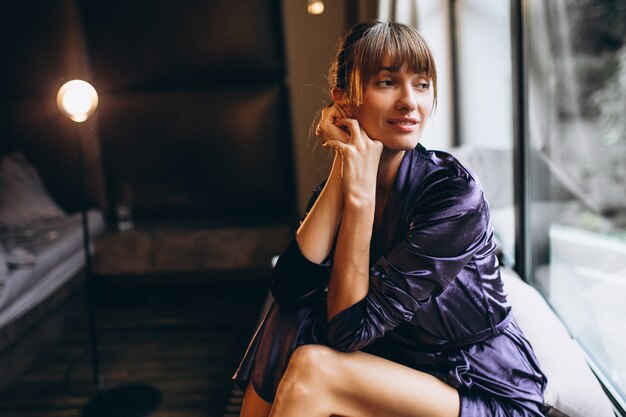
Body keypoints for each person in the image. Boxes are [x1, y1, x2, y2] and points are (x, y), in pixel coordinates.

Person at [233, 20, 546, 417]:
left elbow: (348, 333)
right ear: (343, 101)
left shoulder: (452, 196)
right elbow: (290, 289)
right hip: (404, 371)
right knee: (292, 318)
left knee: (315, 368)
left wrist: (359, 198)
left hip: (481, 389)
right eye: (386, 82)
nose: (409, 102)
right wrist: (341, 170)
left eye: (421, 84)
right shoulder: (353, 184)